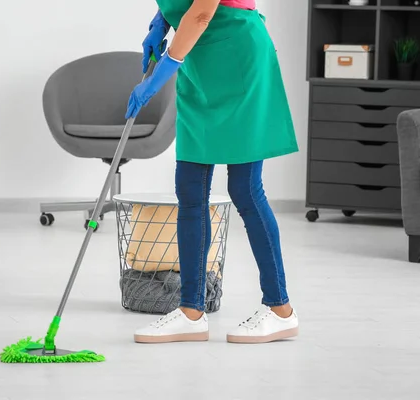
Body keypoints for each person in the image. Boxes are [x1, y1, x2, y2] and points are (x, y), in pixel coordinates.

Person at [126, 0, 299, 344]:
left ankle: (280, 309)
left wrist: (161, 72)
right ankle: (191, 312)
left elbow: (203, 11)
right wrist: (159, 23)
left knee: (246, 190)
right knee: (189, 189)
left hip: (238, 59)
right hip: (199, 61)